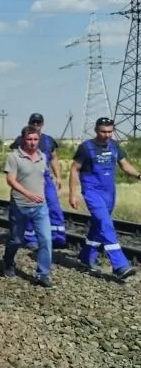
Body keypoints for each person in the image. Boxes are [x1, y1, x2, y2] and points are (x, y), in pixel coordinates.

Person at [69, 117, 140, 280]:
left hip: (109, 192)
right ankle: (120, 265)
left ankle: (86, 258)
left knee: (98, 225)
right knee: (106, 224)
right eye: (103, 131)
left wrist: (138, 174)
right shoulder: (86, 148)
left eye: (109, 131)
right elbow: (74, 169)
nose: (106, 135)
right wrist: (73, 194)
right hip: (92, 191)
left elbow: (124, 164)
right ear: (96, 130)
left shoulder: (115, 146)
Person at [3, 125, 54, 288]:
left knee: (46, 239)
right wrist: (28, 194)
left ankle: (42, 274)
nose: (32, 143)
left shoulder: (42, 156)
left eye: (35, 139)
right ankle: (8, 261)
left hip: (40, 206)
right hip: (20, 205)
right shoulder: (14, 157)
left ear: (39, 139)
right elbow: (11, 180)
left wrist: (43, 193)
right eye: (29, 139)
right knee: (16, 240)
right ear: (23, 139)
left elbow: (42, 177)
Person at [9, 113, 66, 249]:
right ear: (29, 123)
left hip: (45, 178)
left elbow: (53, 158)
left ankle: (56, 237)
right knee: (29, 208)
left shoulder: (48, 141)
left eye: (38, 123)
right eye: (33, 123)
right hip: (27, 178)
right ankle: (30, 238)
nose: (36, 125)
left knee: (53, 206)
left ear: (42, 124)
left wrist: (58, 177)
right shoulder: (20, 140)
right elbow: (14, 159)